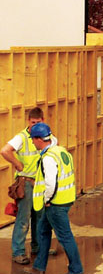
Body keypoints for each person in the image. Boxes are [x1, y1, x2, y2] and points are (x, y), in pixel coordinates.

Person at [24, 123, 84, 274]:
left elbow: (51, 183)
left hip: (55, 203)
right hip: (64, 199)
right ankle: (38, 268)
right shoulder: (61, 151)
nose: (32, 142)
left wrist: (47, 200)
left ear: (39, 139)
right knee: (43, 231)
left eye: (33, 139)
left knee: (65, 236)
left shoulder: (49, 158)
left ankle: (76, 271)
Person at [0, 107, 58, 265]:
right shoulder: (22, 137)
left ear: (43, 120)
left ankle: (38, 247)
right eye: (33, 122)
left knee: (39, 217)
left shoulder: (47, 136)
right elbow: (5, 151)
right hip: (26, 183)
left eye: (38, 122)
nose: (35, 125)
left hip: (39, 184)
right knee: (23, 219)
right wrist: (17, 164)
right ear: (28, 121)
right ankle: (18, 252)